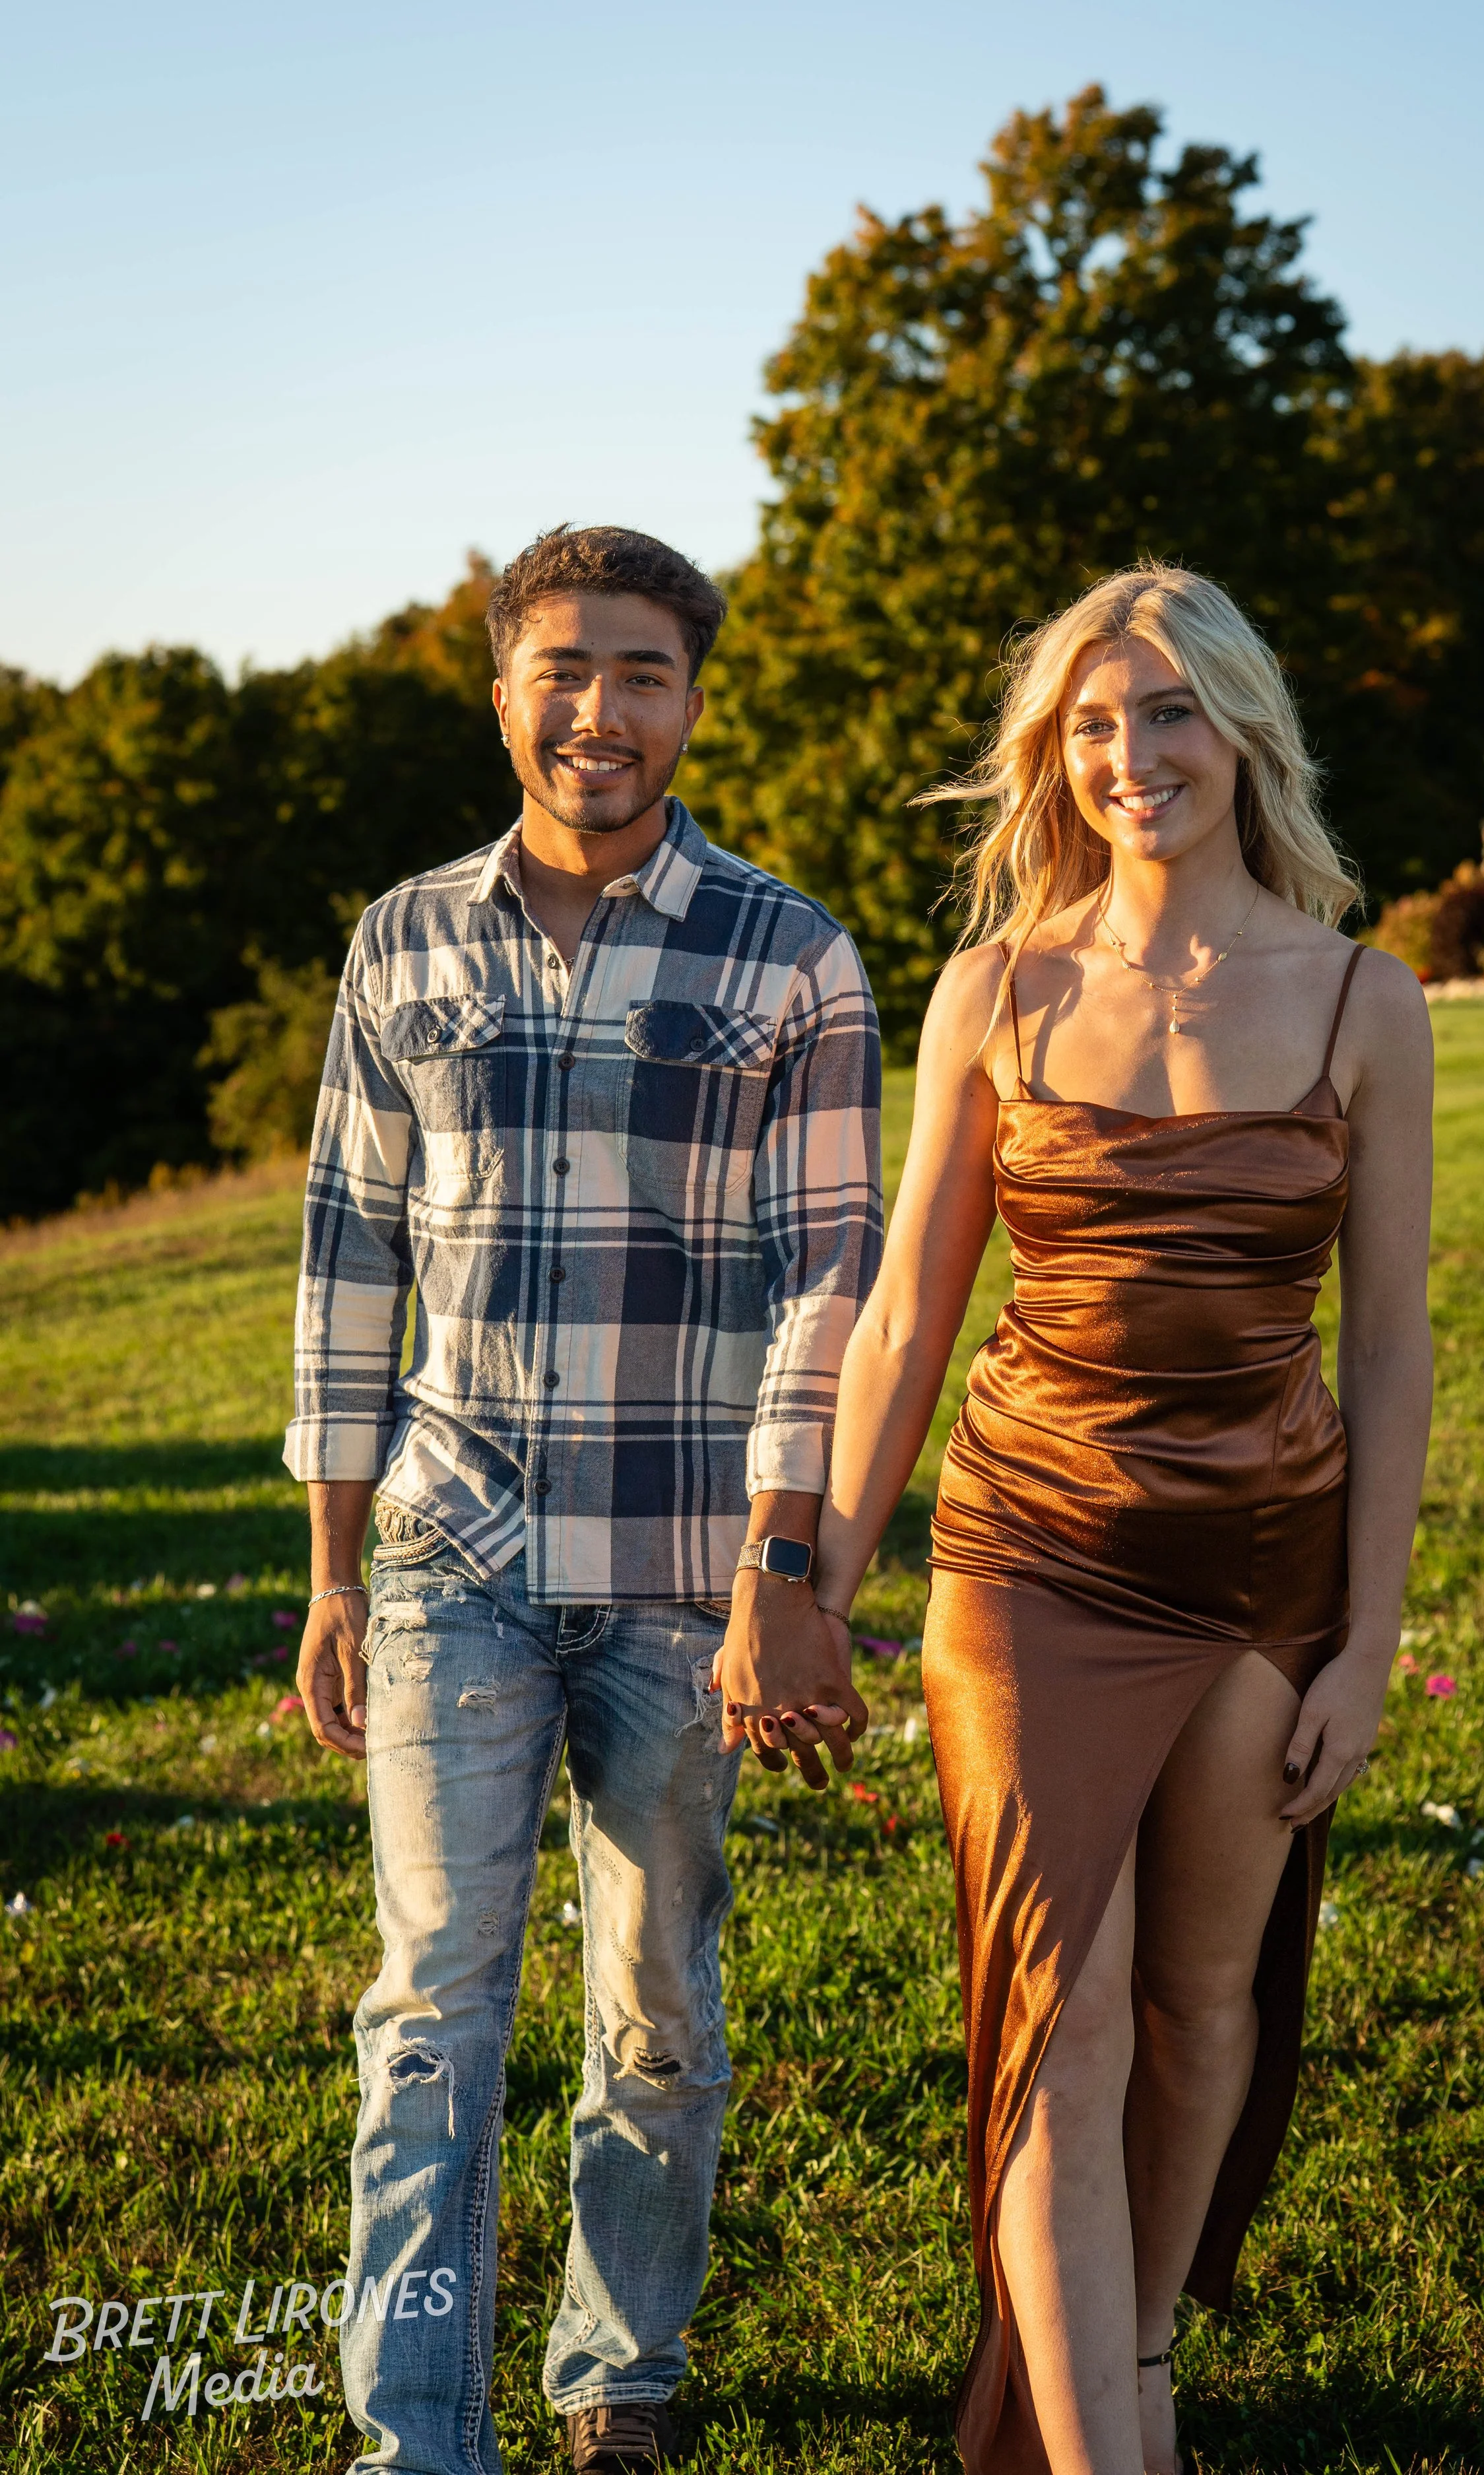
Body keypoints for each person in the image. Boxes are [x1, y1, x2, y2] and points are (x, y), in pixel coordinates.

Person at [808, 563, 1434, 2475]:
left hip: (1262, 1562)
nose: (1129, 755)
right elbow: (908, 1310)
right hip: (1029, 1551)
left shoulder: (1359, 997)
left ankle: (1138, 2348)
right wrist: (811, 1583)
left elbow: (1395, 1343)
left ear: (1241, 730)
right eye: (1091, 722)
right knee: (1059, 2018)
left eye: (1164, 712)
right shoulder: (995, 987)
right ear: (1048, 756)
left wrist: (1368, 1636)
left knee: (1201, 2002)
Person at [288, 523, 880, 2475]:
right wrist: (328, 1565)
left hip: (682, 1575)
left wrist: (785, 1566)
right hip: (445, 1552)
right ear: (502, 690)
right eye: (563, 668)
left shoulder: (787, 952)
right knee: (430, 2010)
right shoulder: (402, 938)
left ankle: (618, 2373)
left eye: (640, 673)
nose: (598, 713)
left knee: (655, 2000)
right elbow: (348, 1258)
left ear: (693, 701)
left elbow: (828, 1281)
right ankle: (417, 2431)